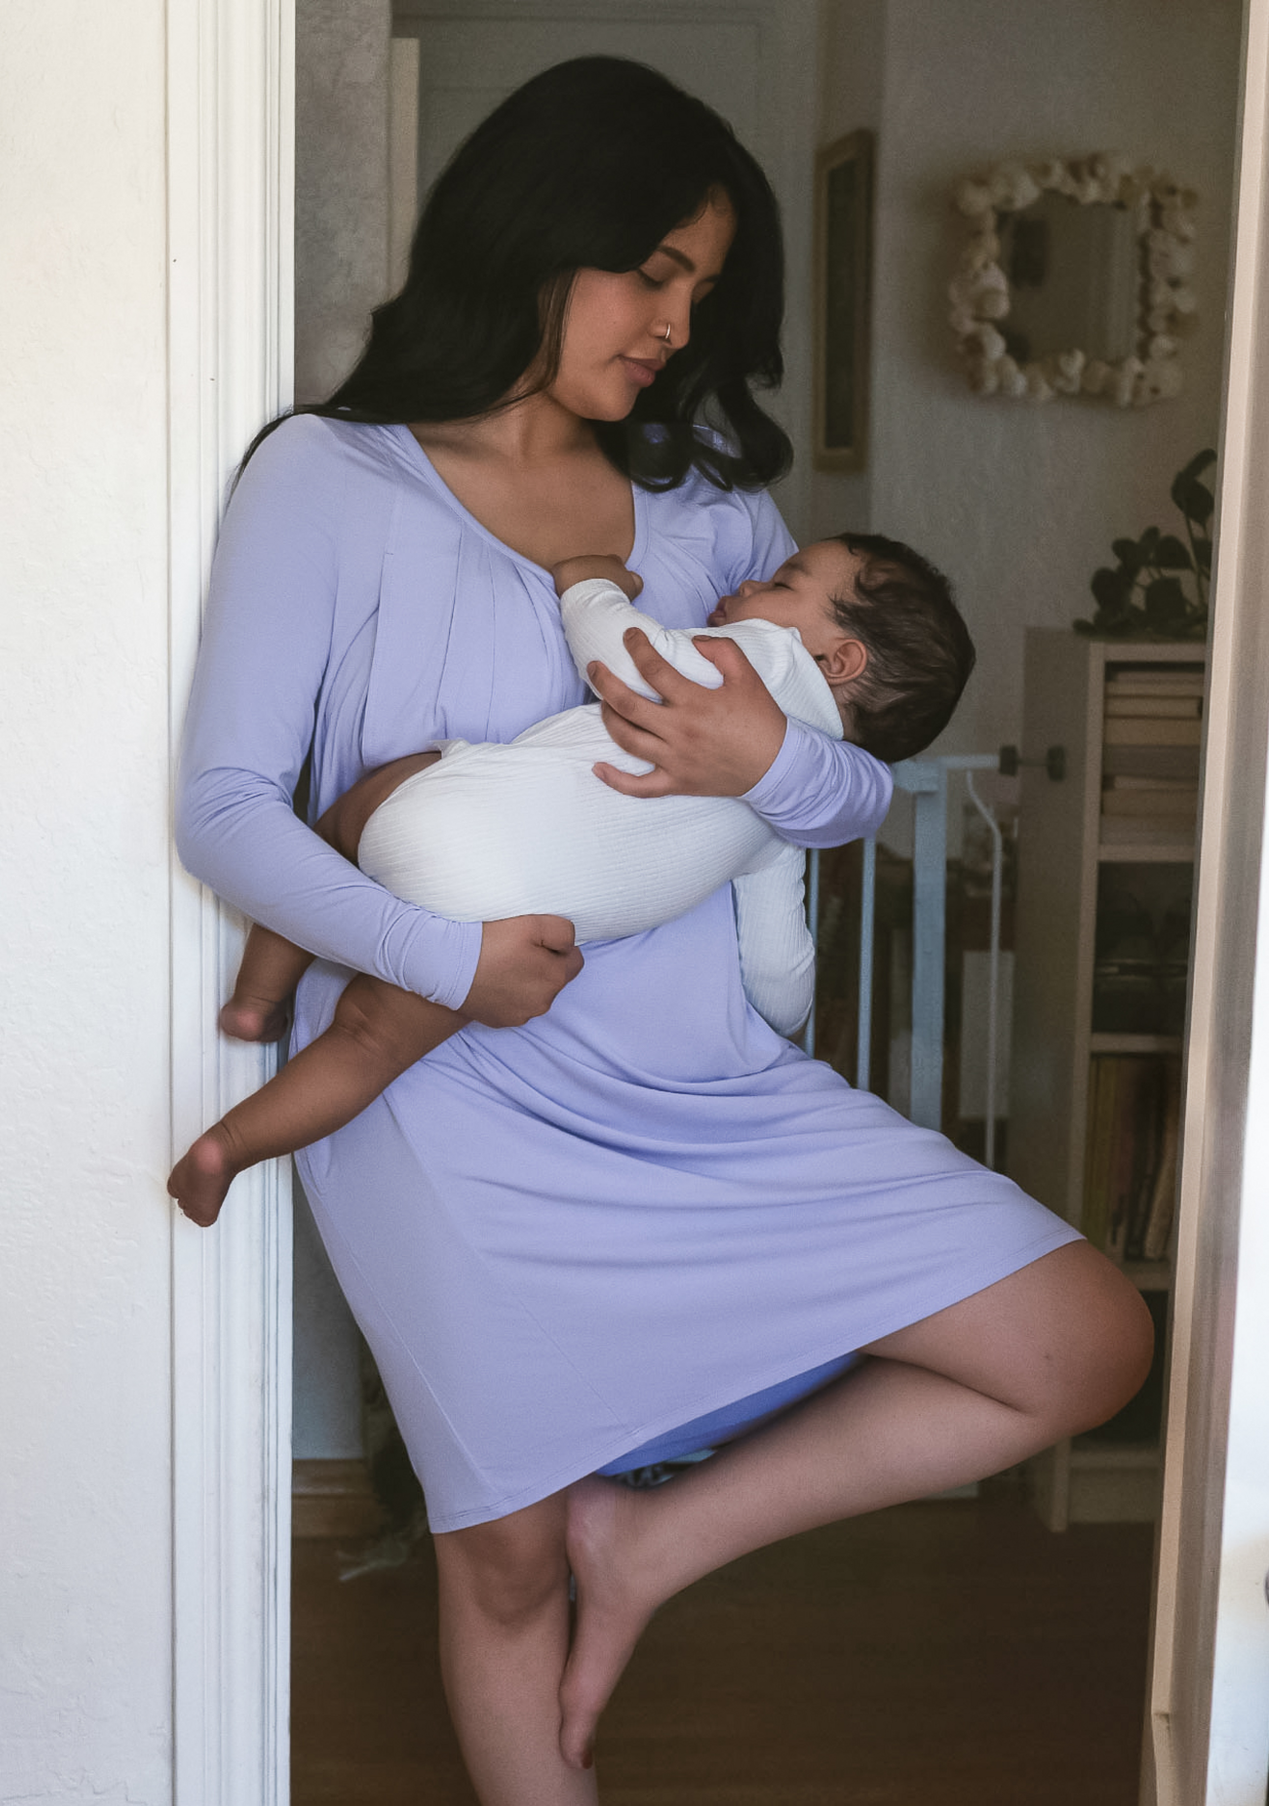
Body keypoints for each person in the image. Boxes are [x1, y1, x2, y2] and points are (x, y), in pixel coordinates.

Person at [175, 57, 1153, 1801]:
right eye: (658, 273)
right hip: (449, 1092)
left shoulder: (717, 519)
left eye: (707, 289)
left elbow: (846, 792)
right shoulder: (330, 484)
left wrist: (778, 758)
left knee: (1081, 1338)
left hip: (714, 1085)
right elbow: (232, 809)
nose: (682, 322)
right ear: (537, 241)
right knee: (506, 1558)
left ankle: (659, 1547)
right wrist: (445, 969)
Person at [168, 531, 976, 1229]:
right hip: (509, 932)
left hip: (440, 817)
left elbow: (618, 658)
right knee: (370, 1041)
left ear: (836, 659)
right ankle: (226, 1148)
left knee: (338, 830)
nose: (749, 585)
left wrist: (586, 581)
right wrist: (787, 1020)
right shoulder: (780, 825)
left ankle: (255, 1001)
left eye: (783, 583)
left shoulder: (751, 664)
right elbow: (778, 976)